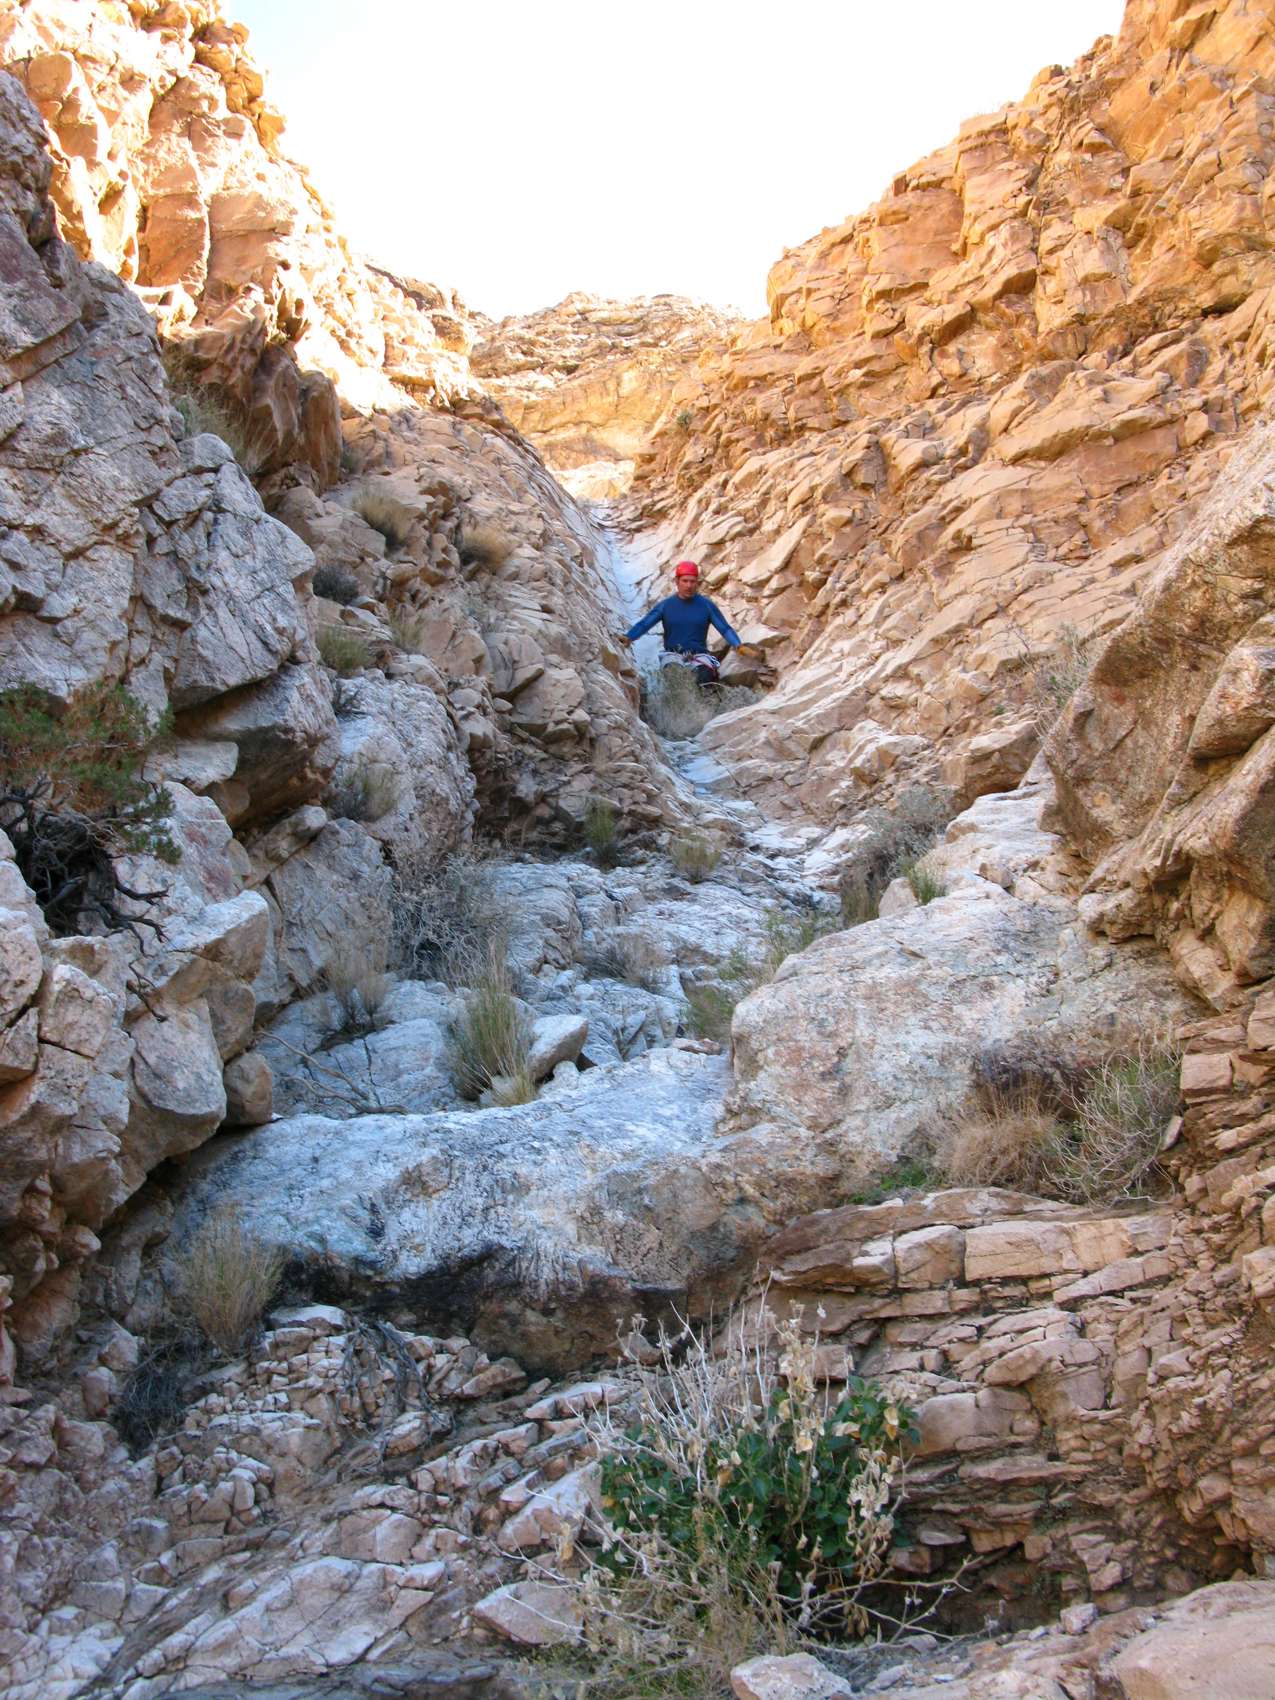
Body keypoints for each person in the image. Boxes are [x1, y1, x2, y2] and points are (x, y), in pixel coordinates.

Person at [619, 560, 745, 685]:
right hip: (672, 655)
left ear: (697, 583)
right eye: (685, 581)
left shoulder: (707, 605)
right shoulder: (666, 605)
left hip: (699, 656)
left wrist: (738, 645)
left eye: (692, 581)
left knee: (705, 678)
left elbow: (725, 629)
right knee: (674, 675)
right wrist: (629, 637)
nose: (689, 585)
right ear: (677, 581)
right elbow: (645, 624)